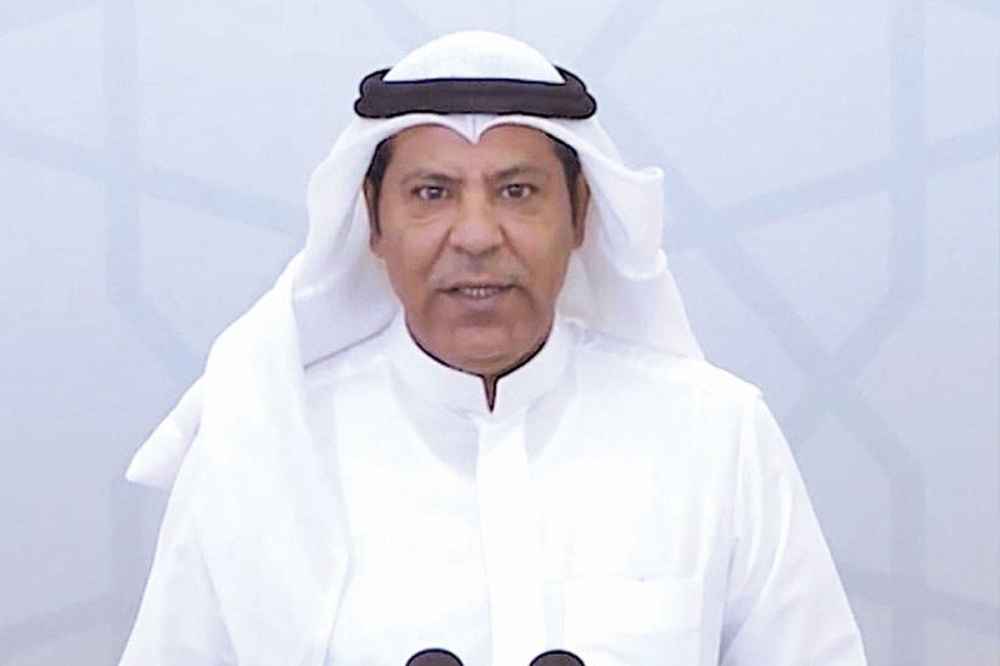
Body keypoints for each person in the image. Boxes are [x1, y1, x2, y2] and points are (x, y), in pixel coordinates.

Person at [120, 31, 867, 666]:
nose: (476, 236)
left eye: (516, 192)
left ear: (579, 214)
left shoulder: (716, 437)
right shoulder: (257, 447)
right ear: (373, 221)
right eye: (432, 193)